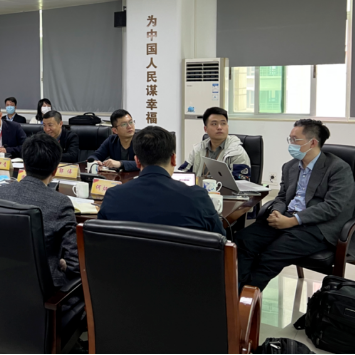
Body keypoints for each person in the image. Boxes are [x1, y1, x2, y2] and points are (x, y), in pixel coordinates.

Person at [236, 119, 355, 291]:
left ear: (312, 142)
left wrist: (293, 221)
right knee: (243, 240)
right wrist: (277, 212)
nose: (290, 144)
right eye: (289, 139)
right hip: (286, 217)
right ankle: (238, 291)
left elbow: (332, 206)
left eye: (294, 140)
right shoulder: (290, 166)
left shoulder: (338, 168)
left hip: (317, 226)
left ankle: (244, 298)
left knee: (272, 255)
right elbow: (281, 197)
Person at [98, 126, 225, 237]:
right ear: (173, 159)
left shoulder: (113, 196)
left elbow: (99, 241)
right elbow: (221, 242)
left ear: (137, 161)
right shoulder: (197, 198)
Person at [0, 133, 79, 289]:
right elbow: (75, 263)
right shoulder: (60, 203)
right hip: (42, 290)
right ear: (55, 170)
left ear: (24, 166)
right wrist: (65, 264)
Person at [180, 107, 251, 180]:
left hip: (223, 187)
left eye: (223, 123)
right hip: (199, 186)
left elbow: (242, 182)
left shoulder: (237, 152)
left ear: (227, 127)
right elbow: (182, 173)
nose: (219, 127)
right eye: (214, 124)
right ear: (205, 129)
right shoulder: (197, 150)